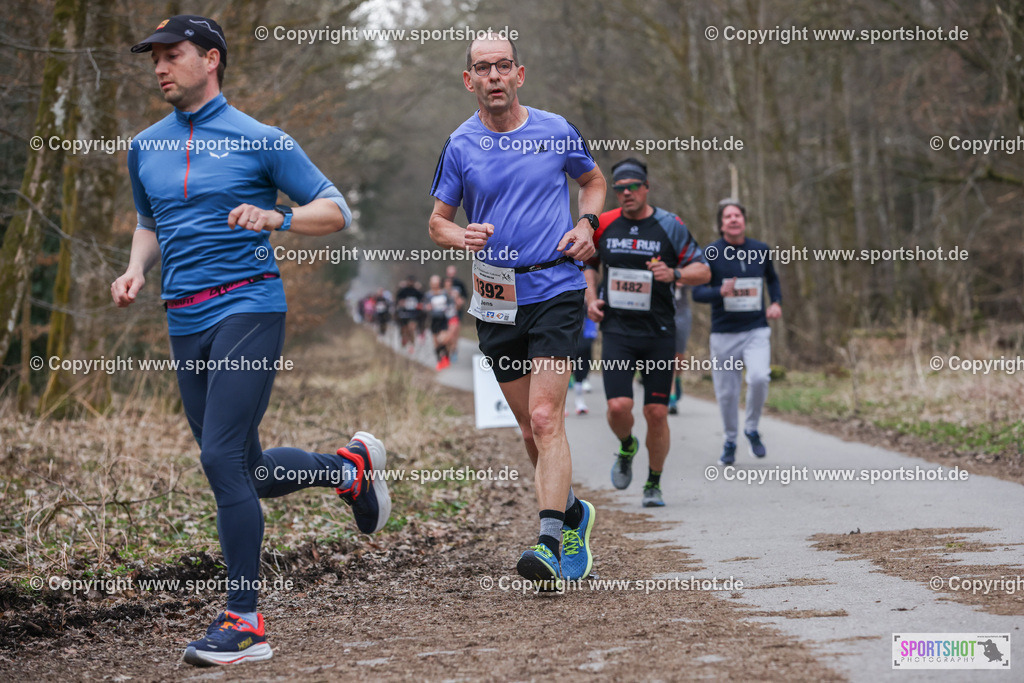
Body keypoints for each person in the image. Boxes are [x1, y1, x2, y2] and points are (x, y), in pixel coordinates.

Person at [112, 15, 391, 667]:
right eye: (153, 57)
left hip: (249, 306)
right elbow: (150, 222)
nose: (160, 66)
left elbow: (336, 209)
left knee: (219, 459)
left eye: (172, 54)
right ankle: (348, 470)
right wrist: (134, 269)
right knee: (250, 471)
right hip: (183, 317)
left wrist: (278, 216)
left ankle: (245, 621)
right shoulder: (144, 146)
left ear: (211, 59)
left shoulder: (261, 139)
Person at [428, 34, 605, 588]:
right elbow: (437, 222)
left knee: (548, 418)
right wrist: (461, 236)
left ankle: (549, 541)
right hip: (496, 297)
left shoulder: (556, 130)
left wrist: (587, 224)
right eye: (483, 68)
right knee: (529, 428)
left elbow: (593, 181)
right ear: (469, 81)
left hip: (555, 287)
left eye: (503, 66)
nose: (494, 76)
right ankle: (573, 512)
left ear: (519, 74)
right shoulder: (460, 145)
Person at [586, 158, 710, 507]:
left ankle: (653, 483)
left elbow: (703, 270)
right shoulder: (604, 223)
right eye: (619, 188)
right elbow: (588, 263)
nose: (626, 193)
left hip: (659, 332)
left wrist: (675, 274)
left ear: (646, 188)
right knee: (618, 406)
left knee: (656, 413)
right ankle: (627, 446)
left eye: (633, 187)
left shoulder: (670, 225)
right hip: (617, 331)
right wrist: (591, 299)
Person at [692, 198, 782, 465]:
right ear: (721, 224)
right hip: (724, 333)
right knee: (727, 394)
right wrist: (719, 291)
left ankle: (751, 428)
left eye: (737, 215)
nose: (733, 219)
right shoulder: (710, 253)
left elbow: (772, 279)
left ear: (744, 220)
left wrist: (776, 302)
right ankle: (730, 440)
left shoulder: (760, 249)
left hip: (756, 329)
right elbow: (697, 293)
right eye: (728, 216)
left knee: (759, 377)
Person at [668, 280, 692, 415]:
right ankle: (671, 398)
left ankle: (677, 379)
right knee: (668, 356)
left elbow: (697, 284)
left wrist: (683, 280)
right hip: (664, 313)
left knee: (679, 356)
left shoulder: (684, 267)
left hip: (682, 313)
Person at [425, 274, 456, 369]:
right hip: (433, 320)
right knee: (436, 342)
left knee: (443, 340)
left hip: (443, 320)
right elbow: (425, 306)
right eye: (433, 282)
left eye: (436, 282)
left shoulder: (445, 293)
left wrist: (451, 315)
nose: (434, 284)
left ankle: (446, 358)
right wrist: (427, 308)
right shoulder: (428, 295)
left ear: (439, 283)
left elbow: (451, 305)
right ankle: (439, 360)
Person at [571, 317, 598, 415]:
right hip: (566, 331)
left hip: (586, 331)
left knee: (582, 366)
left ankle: (579, 401)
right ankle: (561, 406)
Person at [444, 265, 468, 361]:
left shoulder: (460, 284)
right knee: (447, 334)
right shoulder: (444, 284)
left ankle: (453, 350)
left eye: (452, 273)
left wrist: (460, 301)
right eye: (449, 273)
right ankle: (447, 351)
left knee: (454, 333)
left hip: (457, 313)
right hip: (444, 315)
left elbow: (465, 296)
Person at [395, 275, 424, 353]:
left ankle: (411, 345)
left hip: (413, 314)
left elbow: (423, 299)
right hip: (404, 314)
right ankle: (405, 341)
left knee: (411, 328)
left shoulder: (417, 291)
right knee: (405, 330)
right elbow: (397, 298)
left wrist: (420, 288)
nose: (410, 283)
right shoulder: (403, 291)